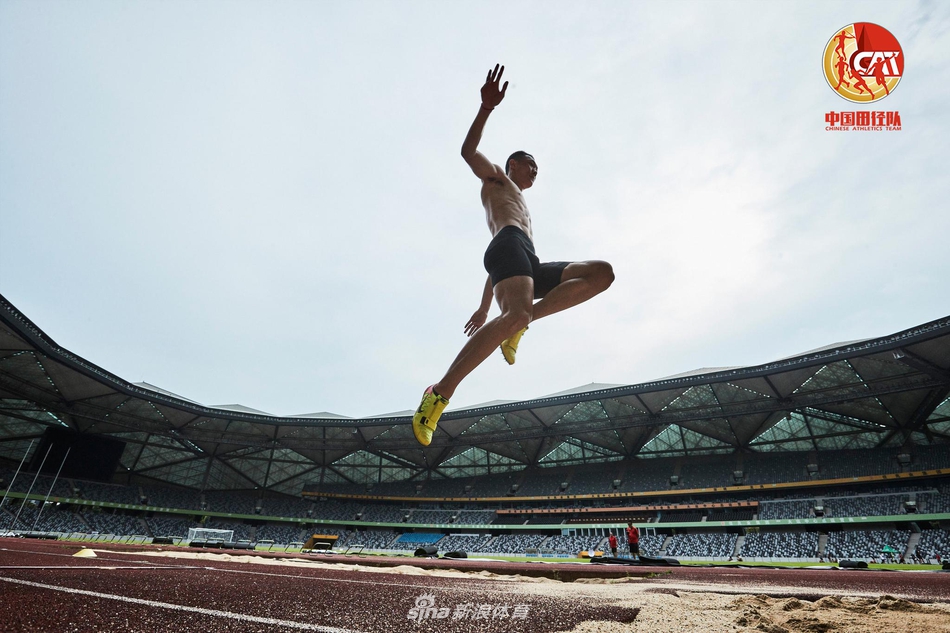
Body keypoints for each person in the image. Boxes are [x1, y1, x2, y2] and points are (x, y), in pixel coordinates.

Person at [411, 64, 615, 446]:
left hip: (524, 257)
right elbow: (467, 151)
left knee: (601, 273)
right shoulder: (496, 180)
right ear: (512, 165)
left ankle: (520, 323)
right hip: (507, 244)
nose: (535, 170)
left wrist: (485, 306)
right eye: (530, 163)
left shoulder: (520, 201)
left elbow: (505, 272)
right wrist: (486, 108)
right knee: (516, 313)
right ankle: (438, 394)